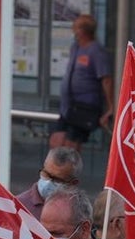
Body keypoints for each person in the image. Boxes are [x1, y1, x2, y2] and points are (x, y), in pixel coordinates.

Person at [50, 13, 113, 152]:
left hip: (84, 106)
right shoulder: (75, 48)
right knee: (56, 140)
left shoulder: (96, 51)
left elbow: (106, 79)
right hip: (68, 105)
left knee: (71, 145)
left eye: (76, 27)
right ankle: (60, 165)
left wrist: (110, 106)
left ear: (83, 31)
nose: (73, 31)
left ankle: (71, 166)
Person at [16, 147, 82, 218]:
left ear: (72, 183)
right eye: (46, 174)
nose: (48, 182)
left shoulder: (79, 210)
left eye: (57, 179)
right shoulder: (18, 205)